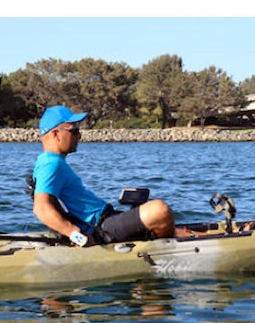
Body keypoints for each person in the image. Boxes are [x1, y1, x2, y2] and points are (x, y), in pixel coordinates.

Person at [32, 105, 181, 247]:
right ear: (56, 134)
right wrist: (75, 234)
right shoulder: (50, 164)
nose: (79, 136)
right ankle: (166, 247)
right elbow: (41, 208)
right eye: (74, 130)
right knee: (160, 210)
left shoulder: (49, 162)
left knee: (162, 218)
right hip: (100, 228)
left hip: (105, 220)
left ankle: (163, 237)